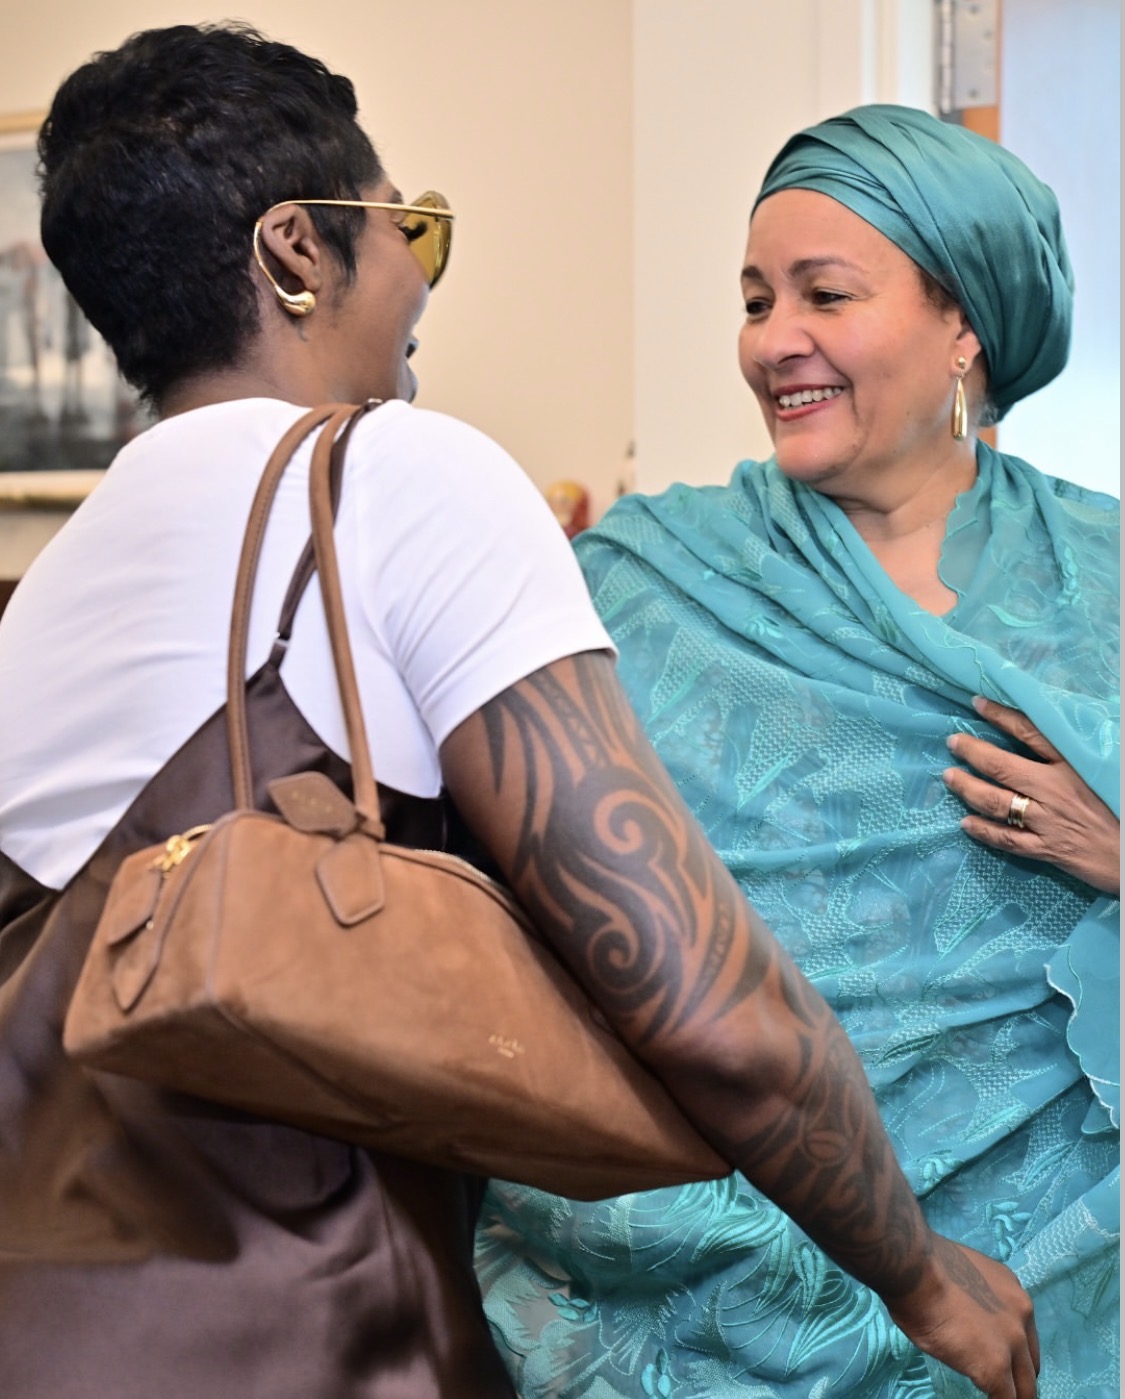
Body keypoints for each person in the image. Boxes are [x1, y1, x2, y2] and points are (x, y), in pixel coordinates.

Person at [0, 33, 1037, 1394]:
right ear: (299, 255)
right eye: (405, 228)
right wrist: (917, 1272)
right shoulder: (398, 475)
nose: (420, 277)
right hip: (296, 1342)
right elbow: (708, 1004)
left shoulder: (55, 586)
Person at [475, 106, 1119, 1399]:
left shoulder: (1099, 583)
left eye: (824, 293)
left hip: (1037, 1285)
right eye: (756, 299)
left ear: (963, 327)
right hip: (677, 1281)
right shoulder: (641, 579)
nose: (775, 341)